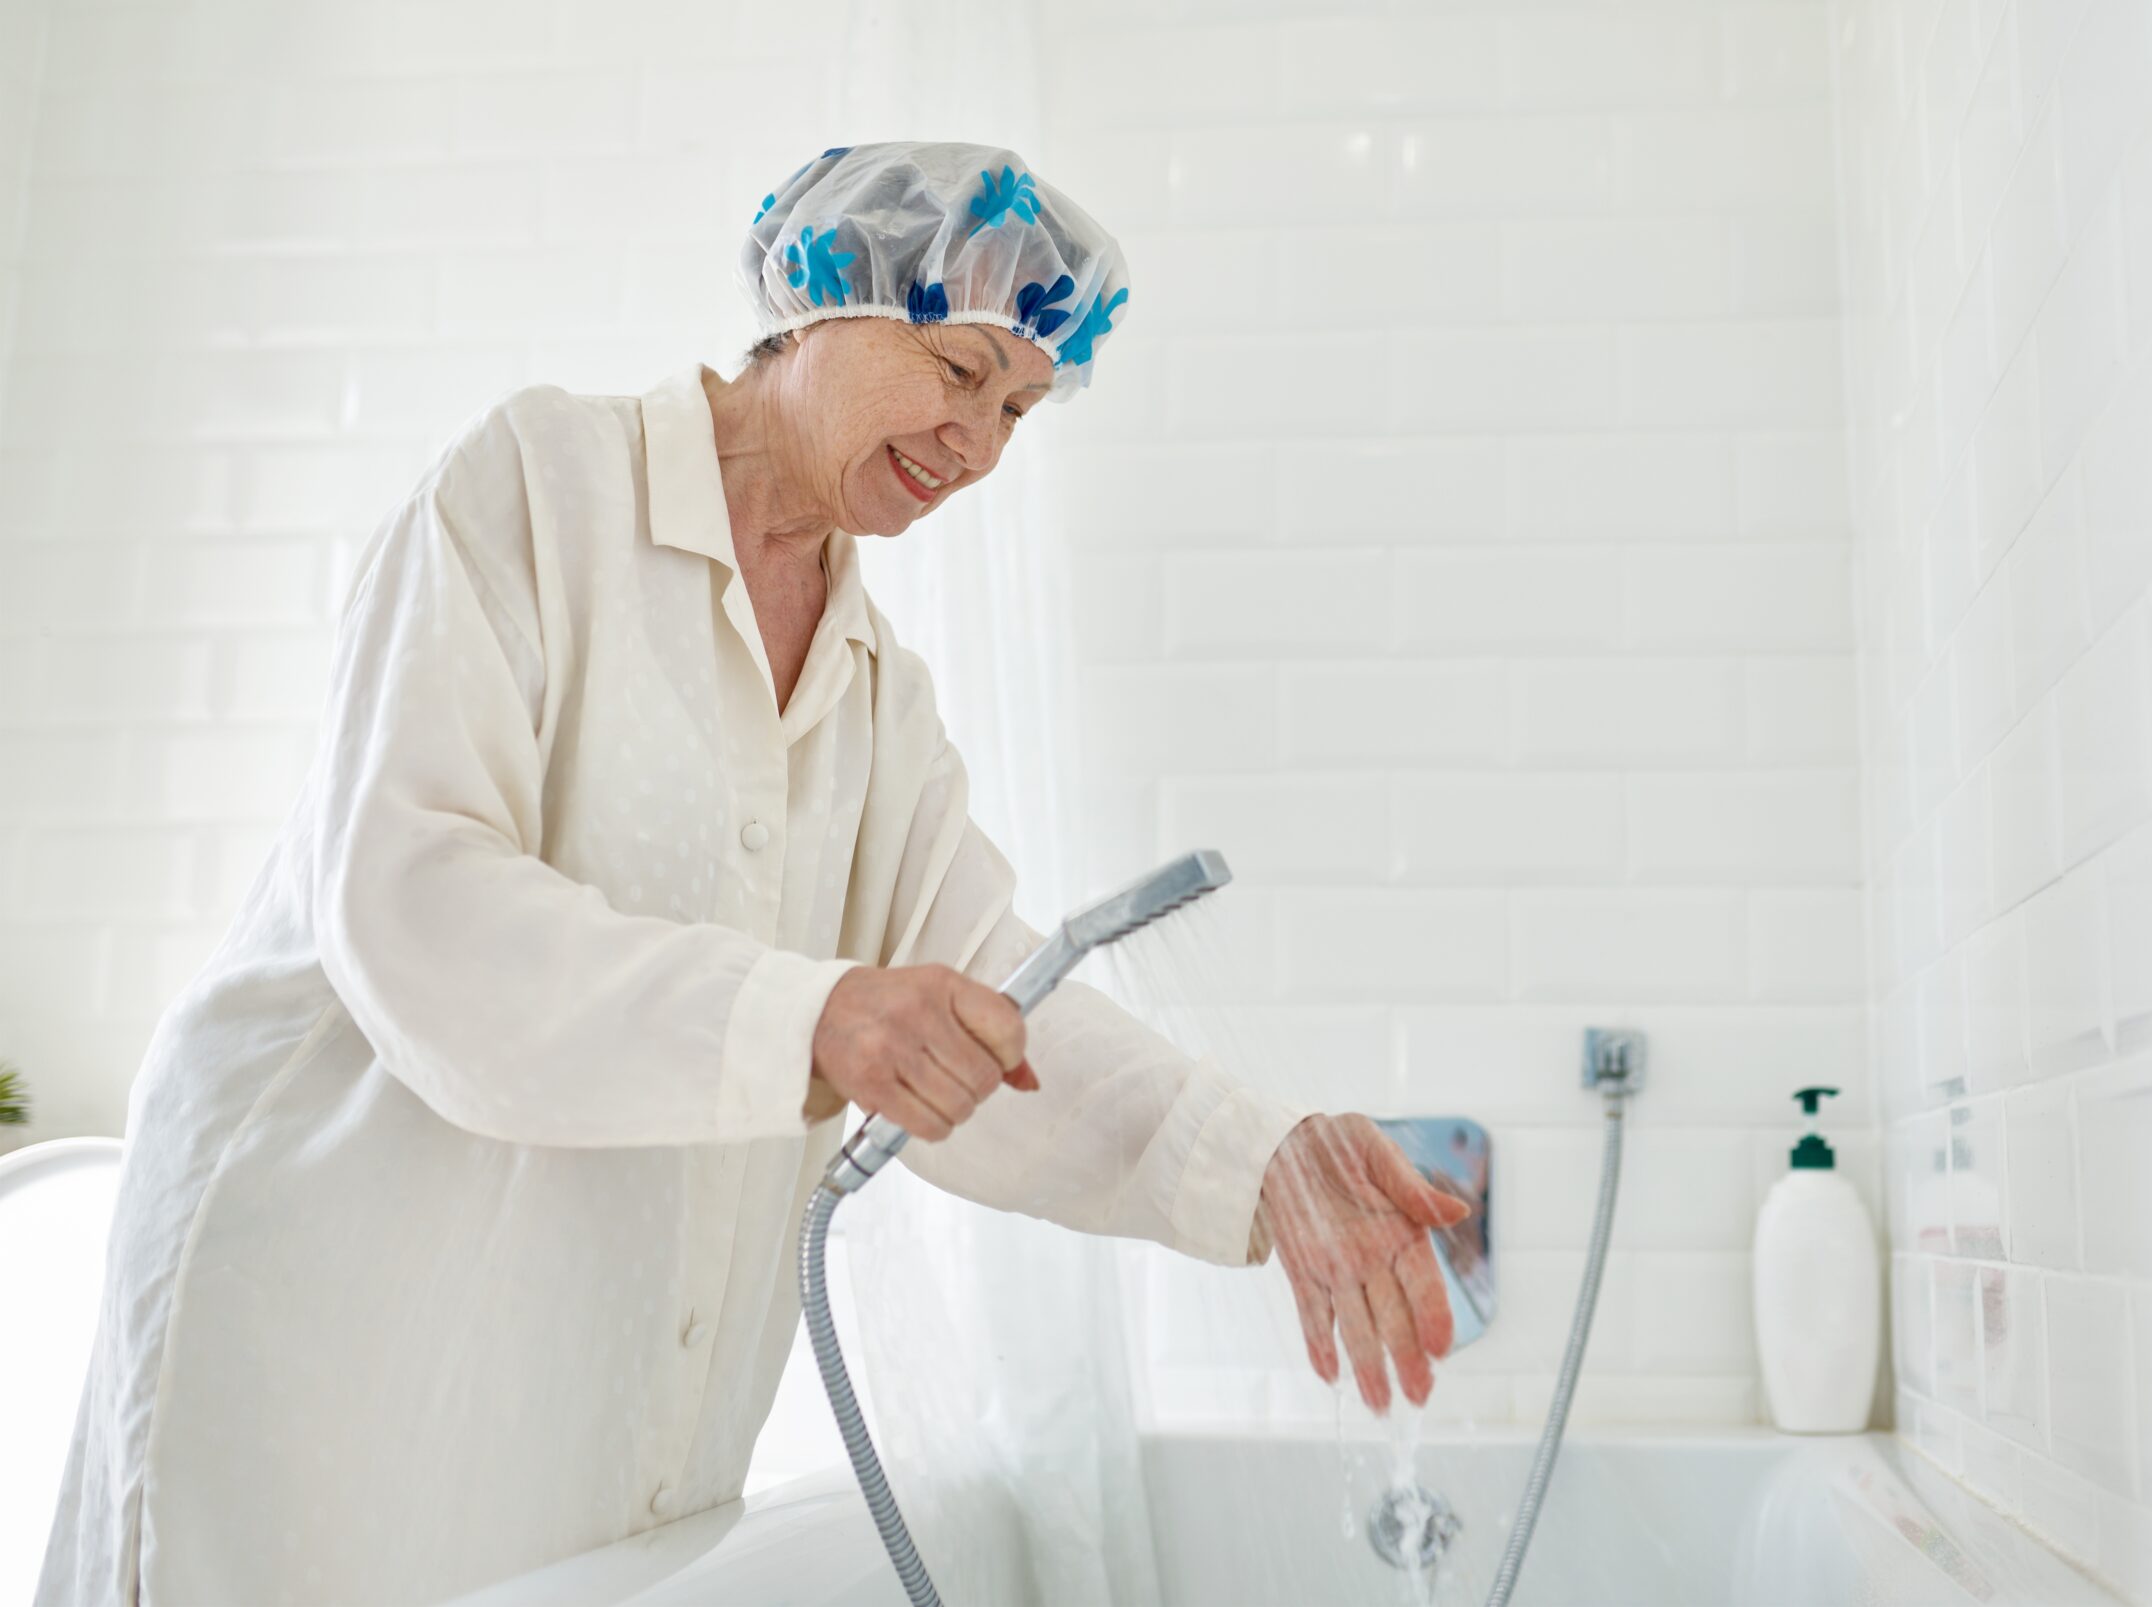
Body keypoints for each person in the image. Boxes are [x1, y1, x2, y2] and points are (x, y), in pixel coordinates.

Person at [40, 140, 1470, 1607]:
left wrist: (1264, 1164)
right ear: (818, 301)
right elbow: (415, 906)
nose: (979, 443)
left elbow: (998, 1015)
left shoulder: (871, 694)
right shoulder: (539, 490)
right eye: (961, 369)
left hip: (583, 1420)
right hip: (324, 1341)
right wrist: (817, 1020)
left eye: (1023, 411)